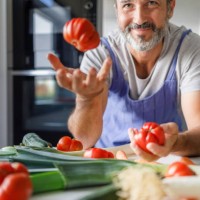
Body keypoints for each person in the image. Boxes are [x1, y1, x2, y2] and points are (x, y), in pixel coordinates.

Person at [48, 0, 200, 161]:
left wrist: (176, 143)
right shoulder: (99, 53)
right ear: (117, 11)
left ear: (170, 8)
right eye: (128, 5)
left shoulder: (190, 49)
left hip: (167, 160)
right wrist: (87, 99)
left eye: (151, 3)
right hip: (108, 159)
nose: (139, 19)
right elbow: (85, 139)